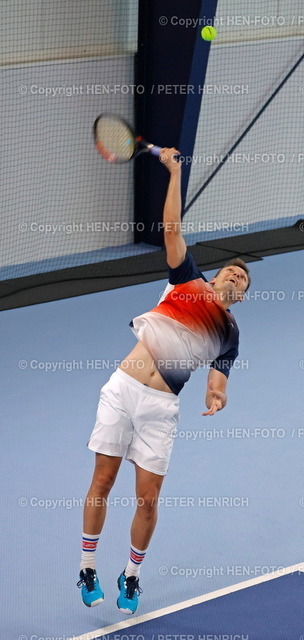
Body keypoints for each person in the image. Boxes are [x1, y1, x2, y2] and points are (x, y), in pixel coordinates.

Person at [77, 148, 251, 614]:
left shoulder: (229, 336)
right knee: (102, 480)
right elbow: (172, 226)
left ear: (242, 298)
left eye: (244, 278)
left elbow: (218, 384)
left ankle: (130, 577)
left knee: (148, 502)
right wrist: (174, 173)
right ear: (217, 276)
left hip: (161, 409)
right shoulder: (185, 279)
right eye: (232, 268)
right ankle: (87, 566)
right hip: (121, 391)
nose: (237, 273)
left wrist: (217, 399)